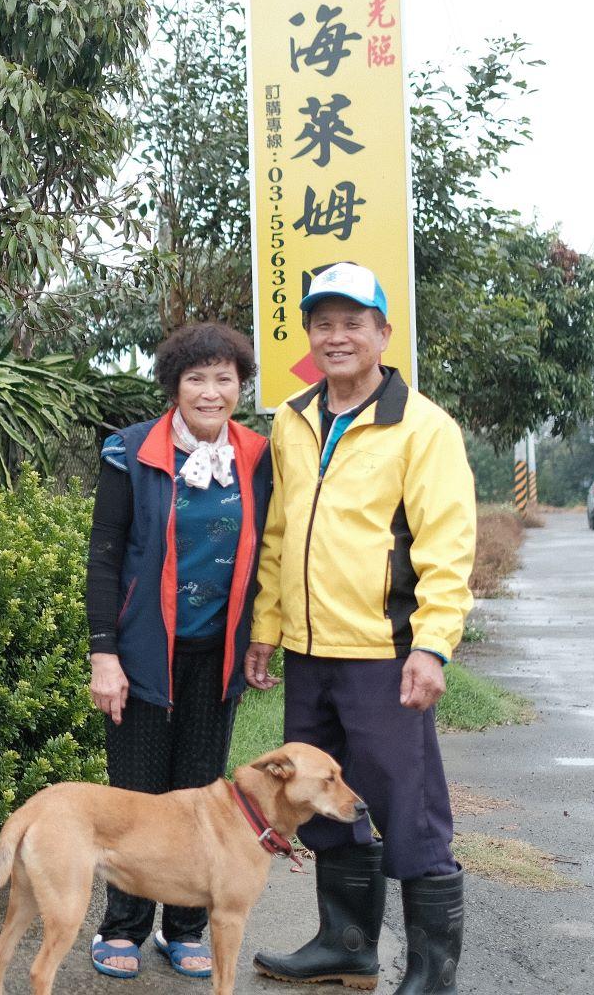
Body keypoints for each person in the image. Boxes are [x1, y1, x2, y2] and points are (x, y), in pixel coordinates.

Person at [244, 263, 475, 994]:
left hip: (385, 655)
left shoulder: (424, 428)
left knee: (409, 808)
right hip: (311, 656)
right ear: (309, 334)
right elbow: (279, 534)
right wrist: (266, 628)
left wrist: (433, 645)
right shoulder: (293, 419)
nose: (336, 336)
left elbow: (446, 547)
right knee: (323, 806)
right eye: (323, 323)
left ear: (383, 332)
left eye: (352, 322)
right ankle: (346, 946)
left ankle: (434, 973)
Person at [84, 322, 274, 981]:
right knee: (135, 801)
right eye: (197, 377)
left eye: (225, 378)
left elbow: (269, 555)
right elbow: (105, 555)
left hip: (216, 655)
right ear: (174, 385)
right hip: (141, 653)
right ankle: (124, 928)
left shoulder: (258, 455)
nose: (212, 391)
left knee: (202, 796)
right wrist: (102, 654)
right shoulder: (131, 451)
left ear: (240, 387)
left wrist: (261, 636)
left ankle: (185, 927)